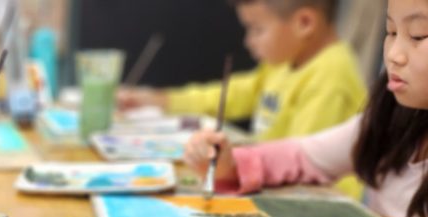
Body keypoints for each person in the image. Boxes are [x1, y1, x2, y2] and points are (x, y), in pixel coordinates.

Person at [182, 0, 428, 217]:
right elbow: (303, 157)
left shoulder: (331, 76)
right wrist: (232, 164)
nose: (394, 55)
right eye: (391, 32)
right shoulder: (387, 117)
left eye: (418, 35)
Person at [119, 0, 366, 142]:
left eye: (257, 29)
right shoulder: (282, 63)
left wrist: (236, 159)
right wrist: (160, 100)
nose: (248, 41)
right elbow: (229, 96)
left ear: (304, 23)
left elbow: (304, 161)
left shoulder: (331, 76)